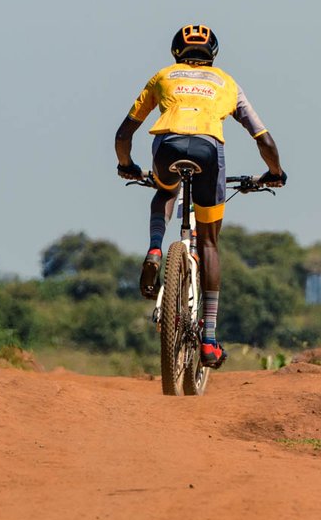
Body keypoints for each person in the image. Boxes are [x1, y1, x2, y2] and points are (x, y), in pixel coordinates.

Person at [114, 24, 286, 369]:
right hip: (209, 151)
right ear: (214, 53)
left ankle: (154, 248)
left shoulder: (162, 76)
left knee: (166, 189)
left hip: (167, 147)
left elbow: (124, 132)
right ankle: (208, 340)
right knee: (208, 242)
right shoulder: (226, 82)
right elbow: (263, 138)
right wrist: (275, 173)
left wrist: (126, 165)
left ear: (177, 51)